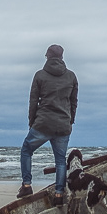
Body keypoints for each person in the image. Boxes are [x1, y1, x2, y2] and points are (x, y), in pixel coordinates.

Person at [19, 44, 78, 200]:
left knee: (26, 150)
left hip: (43, 123)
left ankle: (26, 186)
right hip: (63, 125)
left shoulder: (40, 75)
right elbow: (73, 102)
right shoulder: (71, 76)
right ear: (62, 57)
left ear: (47, 56)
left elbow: (33, 101)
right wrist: (70, 121)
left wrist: (32, 122)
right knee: (60, 160)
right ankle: (59, 194)